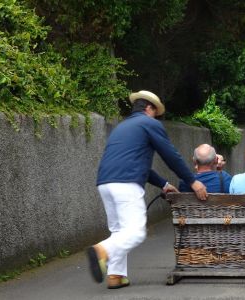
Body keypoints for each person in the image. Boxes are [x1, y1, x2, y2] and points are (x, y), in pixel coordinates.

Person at [87, 90, 208, 289]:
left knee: (119, 230)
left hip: (105, 183)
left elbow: (140, 166)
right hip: (126, 184)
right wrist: (192, 181)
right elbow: (170, 155)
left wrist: (164, 185)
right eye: (155, 112)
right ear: (149, 108)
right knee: (135, 231)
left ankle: (115, 275)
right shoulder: (149, 124)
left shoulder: (122, 127)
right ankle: (102, 251)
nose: (156, 117)